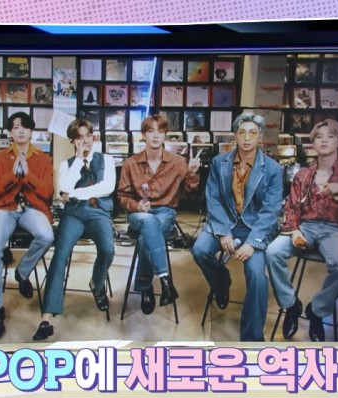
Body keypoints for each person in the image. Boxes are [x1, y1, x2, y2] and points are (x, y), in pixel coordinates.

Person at [266, 119, 338, 341]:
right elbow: (291, 207)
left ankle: (317, 310)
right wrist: (294, 230)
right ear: (312, 143)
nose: (324, 140)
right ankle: (290, 305)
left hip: (336, 229)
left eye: (330, 136)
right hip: (305, 227)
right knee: (273, 252)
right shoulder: (303, 174)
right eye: (319, 137)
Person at [191, 113, 283, 341]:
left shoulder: (272, 169)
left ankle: (251, 339)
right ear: (235, 136)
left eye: (253, 133)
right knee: (200, 250)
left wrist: (252, 244)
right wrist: (223, 232)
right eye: (242, 132)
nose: (247, 138)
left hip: (255, 229)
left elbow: (270, 212)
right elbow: (213, 199)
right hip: (225, 222)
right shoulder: (219, 163)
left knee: (257, 276)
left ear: (260, 137)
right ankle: (222, 283)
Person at [34, 119, 116, 340]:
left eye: (88, 135)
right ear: (72, 141)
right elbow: (65, 188)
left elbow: (107, 187)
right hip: (74, 214)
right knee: (60, 253)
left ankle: (96, 283)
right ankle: (47, 316)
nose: (85, 141)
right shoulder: (66, 165)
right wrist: (78, 160)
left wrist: (75, 194)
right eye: (79, 137)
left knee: (108, 249)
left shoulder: (107, 160)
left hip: (98, 212)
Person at [117, 114, 201, 314]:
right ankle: (165, 281)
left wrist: (192, 174)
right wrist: (137, 206)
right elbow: (122, 196)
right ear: (143, 135)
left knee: (147, 233)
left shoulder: (178, 162)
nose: (155, 136)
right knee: (147, 221)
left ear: (165, 135)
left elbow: (190, 195)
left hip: (165, 212)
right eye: (151, 131)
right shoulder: (131, 163)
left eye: (160, 132)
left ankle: (145, 285)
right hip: (139, 213)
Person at [0, 112, 55, 340]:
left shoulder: (43, 159)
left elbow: (47, 193)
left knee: (47, 235)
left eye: (25, 127)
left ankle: (22, 272)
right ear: (10, 132)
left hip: (33, 208)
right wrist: (13, 175)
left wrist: (28, 174)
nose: (21, 131)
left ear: (32, 131)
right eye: (15, 127)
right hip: (5, 208)